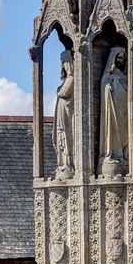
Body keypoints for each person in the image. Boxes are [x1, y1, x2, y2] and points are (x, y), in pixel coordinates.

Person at [99, 47, 128, 175]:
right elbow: (104, 89)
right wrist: (108, 90)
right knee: (111, 131)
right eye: (119, 57)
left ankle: (122, 155)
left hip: (123, 110)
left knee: (123, 133)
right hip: (112, 108)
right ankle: (110, 154)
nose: (121, 60)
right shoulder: (108, 76)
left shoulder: (124, 76)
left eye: (122, 58)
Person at [53, 49, 74, 178]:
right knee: (61, 138)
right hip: (61, 113)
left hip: (66, 114)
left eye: (64, 62)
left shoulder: (71, 79)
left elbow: (62, 93)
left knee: (65, 138)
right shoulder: (68, 80)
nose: (63, 65)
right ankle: (63, 164)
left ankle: (67, 164)